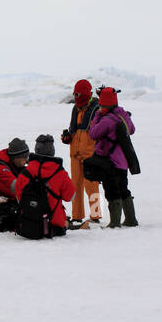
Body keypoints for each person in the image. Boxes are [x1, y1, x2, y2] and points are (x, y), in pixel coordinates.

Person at [86, 87, 139, 228]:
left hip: (111, 162)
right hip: (123, 162)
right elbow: (132, 130)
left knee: (112, 191)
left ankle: (114, 223)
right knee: (123, 189)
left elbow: (93, 134)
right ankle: (130, 219)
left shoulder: (107, 120)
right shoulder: (122, 115)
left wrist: (97, 115)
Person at [13, 134, 76, 238]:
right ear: (52, 151)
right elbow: (70, 197)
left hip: (29, 222)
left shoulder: (26, 172)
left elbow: (19, 197)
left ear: (36, 150)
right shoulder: (60, 173)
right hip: (54, 224)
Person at [60, 79, 104, 229]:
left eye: (78, 94)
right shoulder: (75, 109)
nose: (76, 97)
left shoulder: (97, 109)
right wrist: (67, 138)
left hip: (90, 155)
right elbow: (74, 131)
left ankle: (95, 215)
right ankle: (77, 216)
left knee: (91, 186)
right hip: (75, 154)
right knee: (75, 186)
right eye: (75, 94)